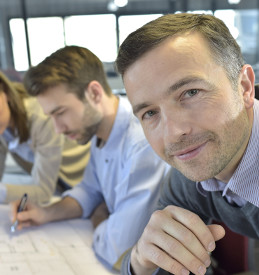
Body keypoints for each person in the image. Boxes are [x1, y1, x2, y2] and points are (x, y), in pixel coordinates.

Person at [115, 13, 259, 275]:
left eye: (190, 93)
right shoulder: (189, 178)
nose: (173, 134)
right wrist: (140, 261)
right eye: (149, 113)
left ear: (245, 87)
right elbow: (163, 263)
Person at [11, 45, 169, 270]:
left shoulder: (141, 143)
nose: (57, 129)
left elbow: (119, 247)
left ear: (94, 93)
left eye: (60, 113)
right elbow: (89, 191)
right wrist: (45, 213)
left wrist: (98, 220)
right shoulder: (99, 132)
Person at [0, 61, 90, 204]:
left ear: (5, 92)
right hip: (62, 188)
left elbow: (43, 190)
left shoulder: (40, 115)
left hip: (84, 182)